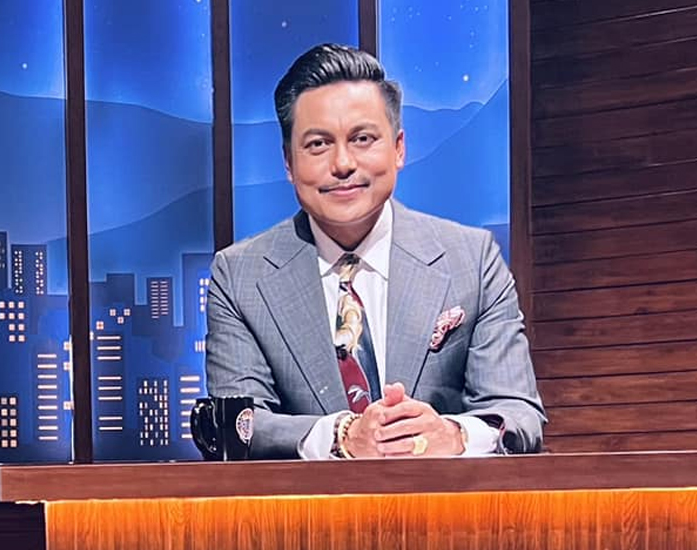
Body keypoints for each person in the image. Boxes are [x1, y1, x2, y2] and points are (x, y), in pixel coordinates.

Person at [205, 43, 545, 459]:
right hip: (307, 503)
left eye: (362, 139)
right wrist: (341, 436)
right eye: (318, 144)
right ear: (288, 163)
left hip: (443, 500)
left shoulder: (472, 261)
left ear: (399, 148)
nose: (343, 163)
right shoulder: (239, 276)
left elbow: (518, 414)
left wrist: (453, 435)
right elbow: (239, 425)